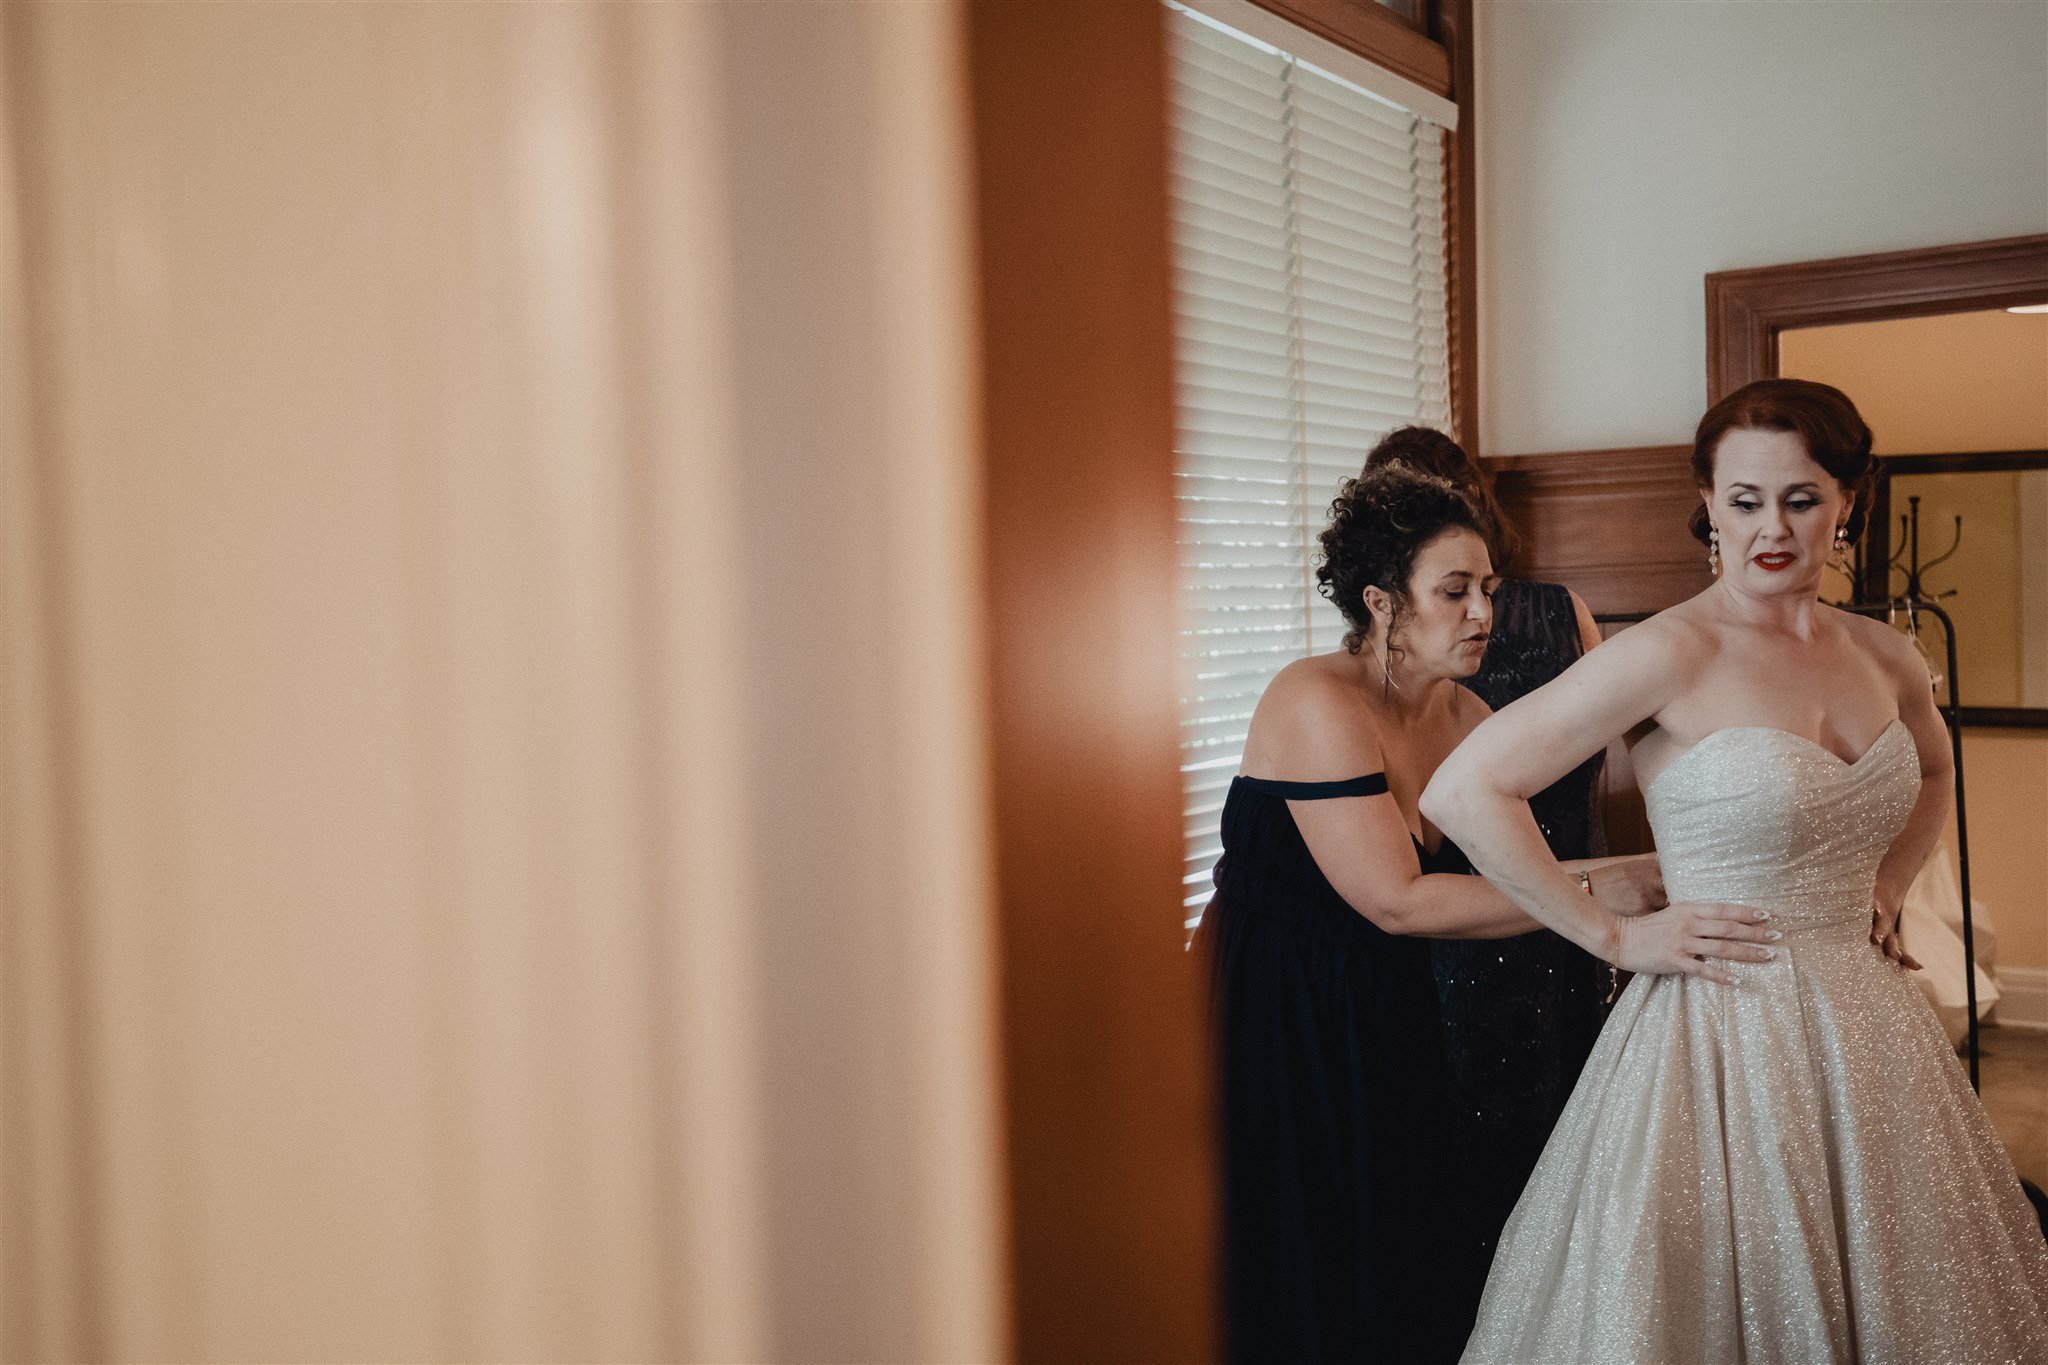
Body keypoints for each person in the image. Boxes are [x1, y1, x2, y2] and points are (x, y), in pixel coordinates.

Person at [1423, 379, 2048, 1362]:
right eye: (1743, 500)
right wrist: (1611, 933)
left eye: (1799, 499)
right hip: (1713, 1033)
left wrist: (1885, 887)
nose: (1770, 529)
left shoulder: (1883, 656)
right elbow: (1462, 793)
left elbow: (1930, 769)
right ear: (1707, 502)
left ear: (1848, 501)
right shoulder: (1667, 651)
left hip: (1867, 1038)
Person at [1192, 463, 1772, 1364]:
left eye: (1488, 589)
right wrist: (1598, 899)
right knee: (1300, 1237)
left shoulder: (1463, 713)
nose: (1483, 614)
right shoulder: (1315, 702)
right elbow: (1400, 898)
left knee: (1400, 1230)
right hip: (1281, 1010)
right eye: (1454, 591)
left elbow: (1517, 865)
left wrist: (1637, 866)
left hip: (1386, 997)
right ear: (1382, 602)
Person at [1362, 427, 1613, 1269]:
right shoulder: (1561, 614)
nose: (1477, 612)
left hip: (1484, 917)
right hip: (1537, 912)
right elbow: (1610, 770)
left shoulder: (1397, 660)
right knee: (1560, 1146)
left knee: (1475, 1166)